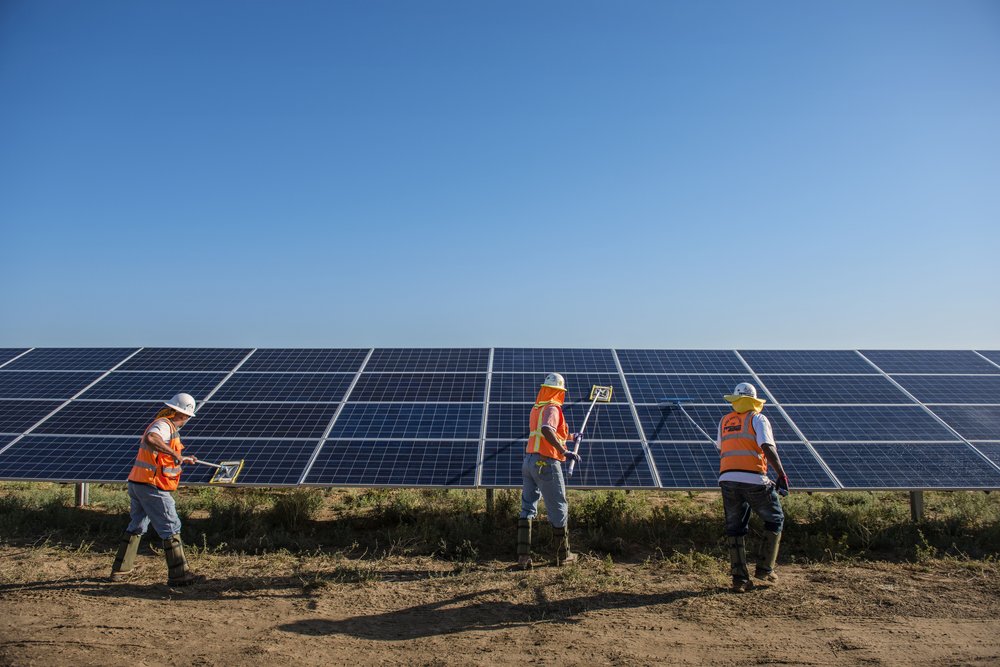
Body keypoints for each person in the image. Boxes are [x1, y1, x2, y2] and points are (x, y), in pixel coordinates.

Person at [109, 392, 204, 586]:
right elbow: (151, 439)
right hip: (152, 486)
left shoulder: (166, 426)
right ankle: (179, 575)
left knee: (137, 525)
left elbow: (163, 455)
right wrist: (174, 453)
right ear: (183, 414)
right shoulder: (163, 425)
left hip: (138, 482)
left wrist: (182, 457)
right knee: (171, 526)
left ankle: (120, 569)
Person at [716, 382, 789, 592]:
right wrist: (781, 474)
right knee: (775, 518)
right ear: (754, 401)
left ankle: (739, 579)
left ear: (736, 401)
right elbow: (767, 446)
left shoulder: (724, 421)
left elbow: (721, 448)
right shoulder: (758, 418)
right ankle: (765, 569)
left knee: (735, 527)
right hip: (755, 479)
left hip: (727, 479)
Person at [517, 372, 582, 569]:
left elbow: (547, 432)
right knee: (558, 507)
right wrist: (565, 451)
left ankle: (523, 557)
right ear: (559, 392)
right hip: (546, 463)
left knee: (527, 507)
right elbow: (547, 429)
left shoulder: (538, 408)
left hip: (529, 462)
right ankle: (563, 555)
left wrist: (571, 436)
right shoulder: (553, 407)